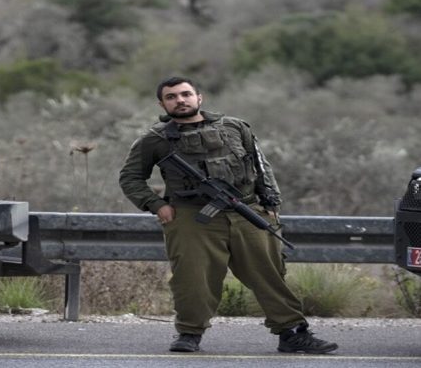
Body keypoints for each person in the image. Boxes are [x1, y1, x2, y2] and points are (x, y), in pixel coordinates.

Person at [119, 76, 338, 354]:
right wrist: (157, 205)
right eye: (171, 97)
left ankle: (292, 333)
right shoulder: (154, 139)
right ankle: (189, 333)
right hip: (192, 217)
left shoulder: (234, 127)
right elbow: (130, 178)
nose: (180, 100)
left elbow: (260, 165)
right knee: (192, 278)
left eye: (186, 94)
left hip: (246, 210)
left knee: (269, 275)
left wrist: (271, 203)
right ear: (162, 104)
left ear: (199, 97)